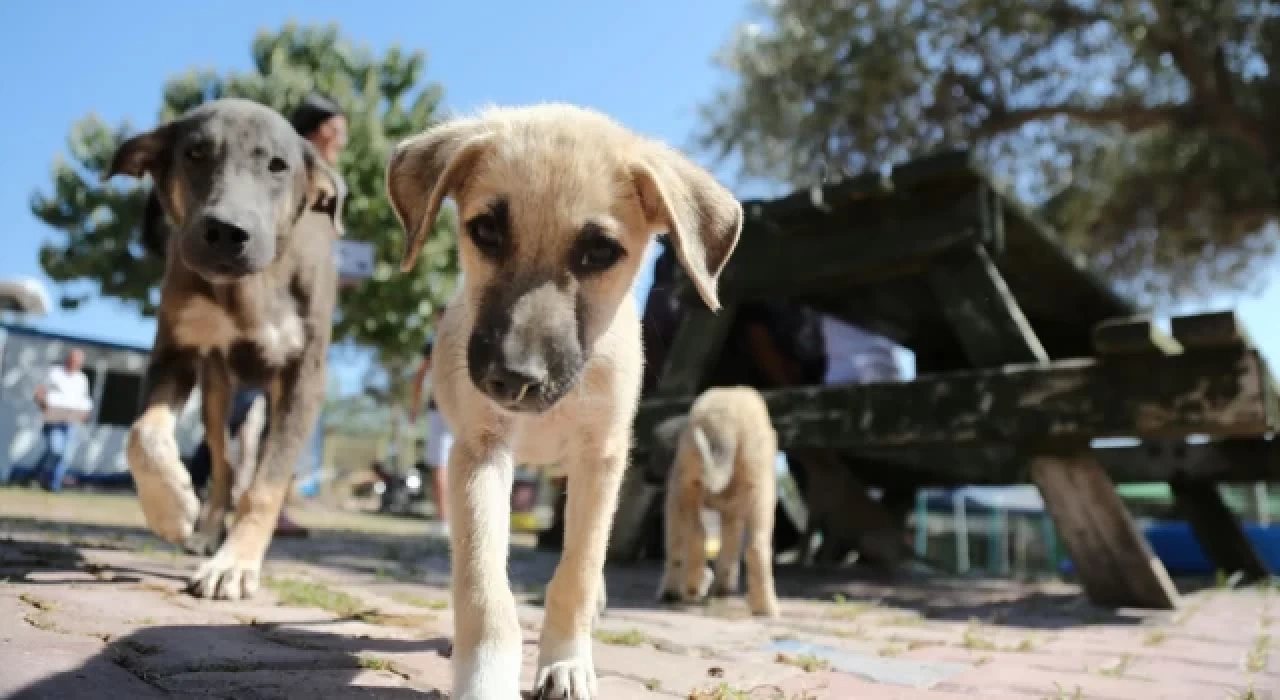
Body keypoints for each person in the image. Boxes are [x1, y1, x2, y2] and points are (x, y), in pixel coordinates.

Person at [179, 91, 350, 538]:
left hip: (298, 306)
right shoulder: (279, 169)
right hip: (257, 315)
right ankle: (201, 487)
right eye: (340, 127)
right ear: (327, 127)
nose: (344, 136)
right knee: (232, 408)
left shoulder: (322, 177)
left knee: (280, 412)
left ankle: (268, 503)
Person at [409, 310, 451, 534]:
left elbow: (418, 377)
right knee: (443, 465)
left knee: (441, 465)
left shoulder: (436, 344)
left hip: (447, 410)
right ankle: (446, 519)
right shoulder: (463, 339)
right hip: (451, 410)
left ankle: (444, 519)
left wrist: (414, 409)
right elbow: (419, 377)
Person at [31, 349, 93, 492]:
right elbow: (39, 391)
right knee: (55, 449)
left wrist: (85, 413)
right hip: (53, 420)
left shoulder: (81, 379)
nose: (76, 363)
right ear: (68, 359)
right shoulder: (54, 373)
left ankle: (54, 485)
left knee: (66, 455)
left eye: (79, 361)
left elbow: (84, 400)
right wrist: (43, 404)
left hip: (71, 421)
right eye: (74, 359)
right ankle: (38, 474)